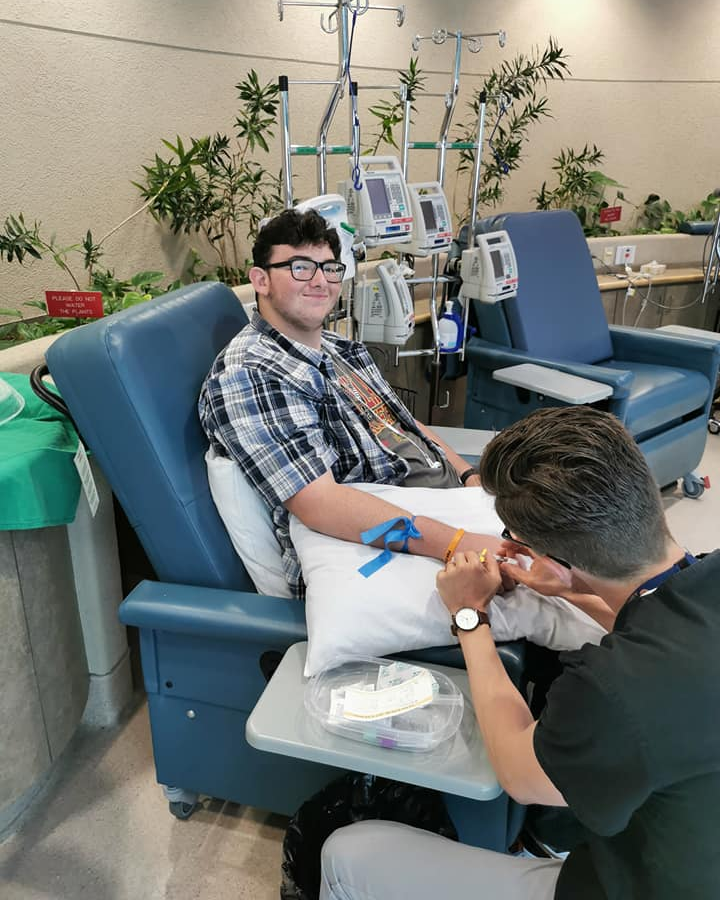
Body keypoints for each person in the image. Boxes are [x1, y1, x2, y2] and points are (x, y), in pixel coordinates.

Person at [319, 406, 720, 900]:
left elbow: (518, 771)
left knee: (348, 853)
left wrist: (470, 615)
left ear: (549, 557)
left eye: (512, 538)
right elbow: (667, 626)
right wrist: (571, 587)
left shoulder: (612, 689)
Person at [199, 207, 500, 597]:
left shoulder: (339, 349)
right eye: (300, 267)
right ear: (261, 280)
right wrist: (460, 542)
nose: (320, 281)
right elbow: (321, 504)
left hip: (450, 506)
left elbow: (403, 425)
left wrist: (470, 479)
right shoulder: (251, 373)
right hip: (386, 551)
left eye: (329, 269)